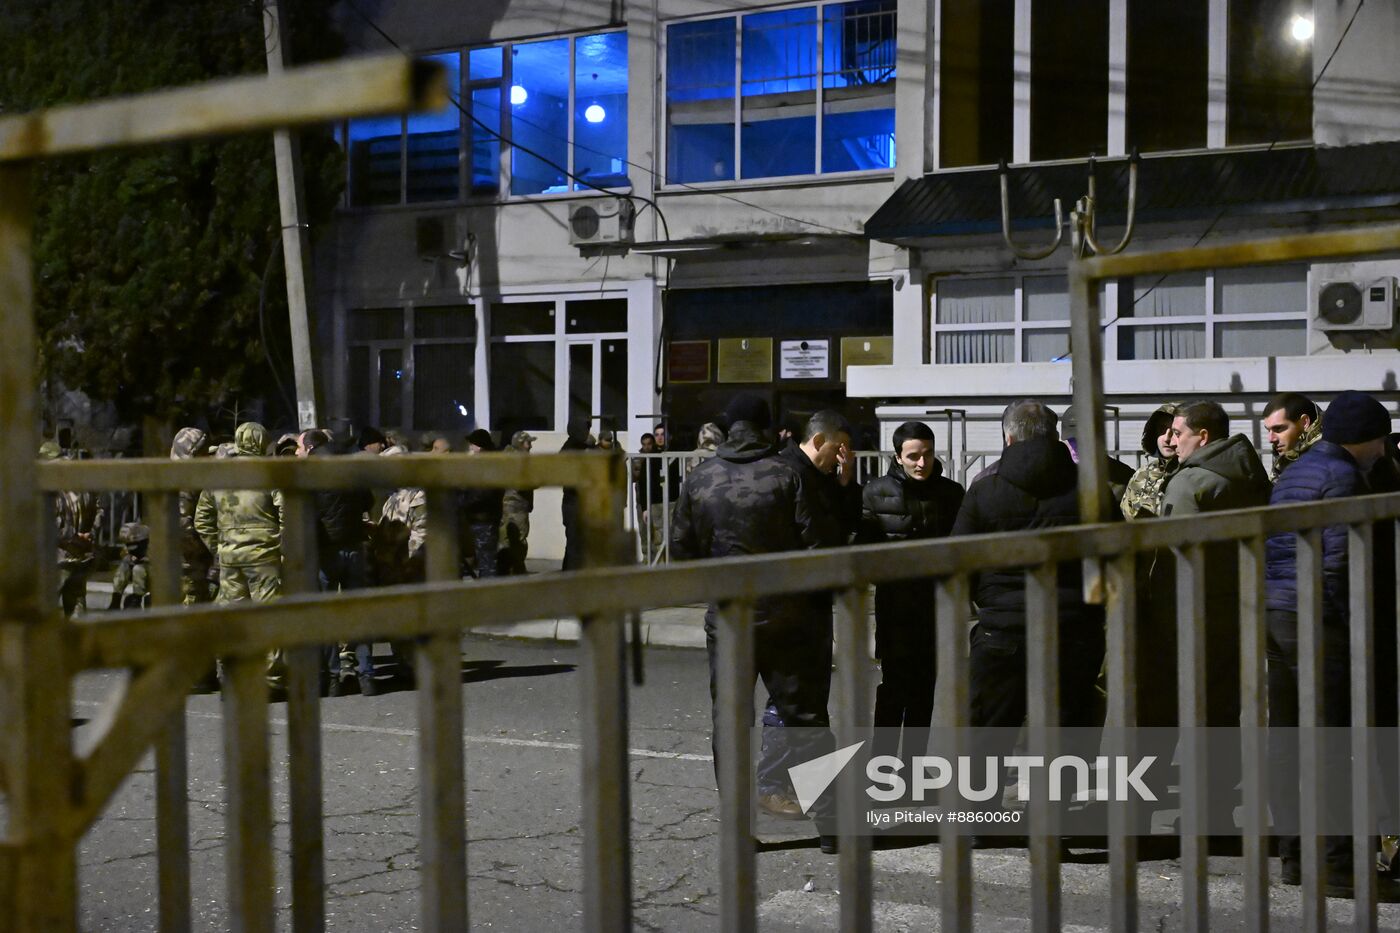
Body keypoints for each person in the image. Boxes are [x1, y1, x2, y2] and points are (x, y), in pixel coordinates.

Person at [671, 394, 837, 850]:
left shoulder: (700, 478)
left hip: (729, 618)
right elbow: (815, 546)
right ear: (768, 429)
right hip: (787, 616)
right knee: (806, 719)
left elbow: (682, 551)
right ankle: (832, 827)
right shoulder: (786, 474)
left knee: (730, 722)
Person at [1266, 390, 1400, 897]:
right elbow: (1339, 563)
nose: (1385, 451)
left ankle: (1296, 856)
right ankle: (1338, 863)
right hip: (1318, 620)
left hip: (1279, 614)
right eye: (1382, 441)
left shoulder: (1296, 471)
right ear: (1368, 439)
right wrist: (1355, 634)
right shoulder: (1343, 478)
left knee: (1288, 742)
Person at [950, 400, 1106, 830]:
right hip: (1073, 627)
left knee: (988, 729)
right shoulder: (1090, 487)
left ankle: (979, 823)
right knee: (1067, 728)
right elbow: (1109, 557)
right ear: (1054, 435)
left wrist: (983, 605)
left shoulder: (984, 488)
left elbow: (958, 559)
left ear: (1008, 436)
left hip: (1003, 629)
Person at [860, 421, 964, 770]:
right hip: (895, 606)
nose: (922, 463)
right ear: (898, 456)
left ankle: (915, 767)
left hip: (935, 607)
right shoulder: (875, 492)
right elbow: (864, 549)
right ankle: (884, 767)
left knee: (925, 692)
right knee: (893, 689)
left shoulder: (951, 494)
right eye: (914, 456)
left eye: (928, 454)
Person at [194, 422, 286, 690]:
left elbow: (202, 519)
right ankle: (270, 680)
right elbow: (286, 512)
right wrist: (281, 543)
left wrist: (219, 546)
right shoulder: (270, 472)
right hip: (264, 557)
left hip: (230, 559)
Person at [301, 429, 378, 696]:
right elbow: (368, 499)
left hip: (326, 551)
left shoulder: (310, 471)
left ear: (310, 447)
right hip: (354, 544)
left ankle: (333, 679)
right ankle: (367, 676)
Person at [42, 440, 105, 618]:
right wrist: (90, 535)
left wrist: (73, 536)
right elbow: (100, 510)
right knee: (77, 606)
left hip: (57, 558)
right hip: (82, 557)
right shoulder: (83, 482)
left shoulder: (50, 485)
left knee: (45, 613)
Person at [1120, 403, 1181, 520]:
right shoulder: (1142, 474)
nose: (1167, 438)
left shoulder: (1191, 475)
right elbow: (1126, 515)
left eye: (1175, 431)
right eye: (1162, 430)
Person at [459, 429, 504, 579]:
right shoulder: (490, 461)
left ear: (479, 445)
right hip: (483, 516)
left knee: (486, 560)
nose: (470, 448)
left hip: (483, 517)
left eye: (472, 445)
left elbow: (482, 492)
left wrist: (464, 502)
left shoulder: (486, 464)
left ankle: (488, 595)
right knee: (485, 558)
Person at [1263, 392, 1322, 482]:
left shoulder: (1325, 458)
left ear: (1304, 422)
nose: (1271, 439)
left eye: (1278, 428)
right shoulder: (1285, 456)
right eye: (1268, 430)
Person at [499, 431, 536, 575]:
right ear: (521, 444)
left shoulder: (510, 457)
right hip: (516, 506)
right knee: (518, 539)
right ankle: (516, 568)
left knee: (508, 538)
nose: (531, 446)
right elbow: (523, 483)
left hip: (511, 505)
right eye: (528, 442)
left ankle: (508, 568)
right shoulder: (518, 459)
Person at [560, 418, 592, 571]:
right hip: (573, 502)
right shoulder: (570, 450)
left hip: (577, 502)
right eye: (585, 429)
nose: (587, 432)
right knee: (574, 541)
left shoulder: (580, 447)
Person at [108, 522, 151, 611]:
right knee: (124, 566)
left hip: (154, 577)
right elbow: (125, 555)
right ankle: (116, 598)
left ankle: (137, 600)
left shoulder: (153, 546)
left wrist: (143, 560)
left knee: (138, 569)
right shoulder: (130, 548)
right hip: (141, 575)